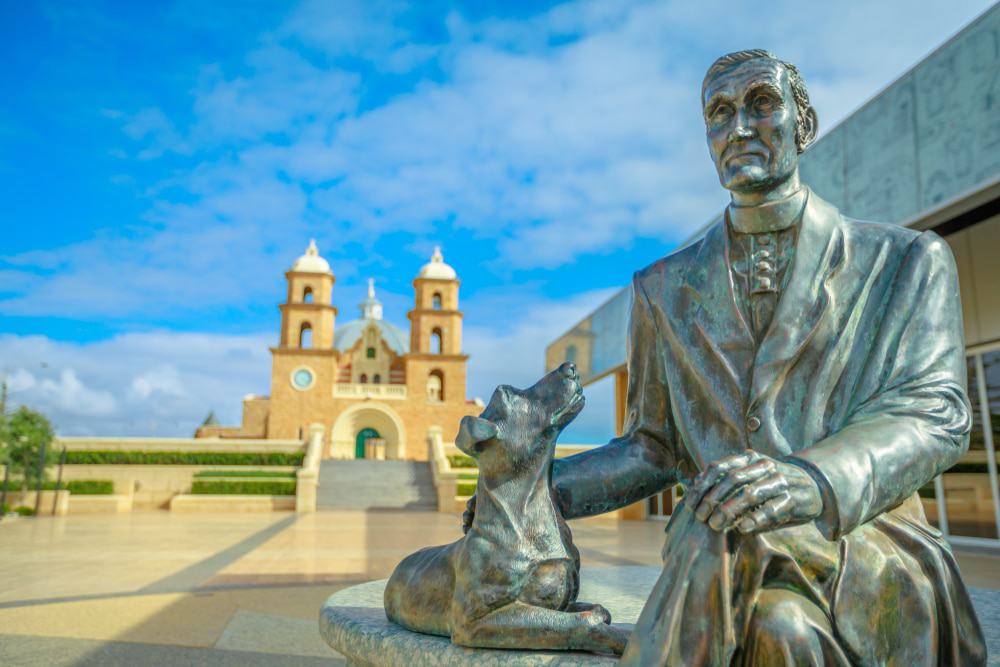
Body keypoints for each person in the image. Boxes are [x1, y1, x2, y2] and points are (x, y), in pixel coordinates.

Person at [465, 49, 986, 665]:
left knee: (718, 533)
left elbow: (934, 414)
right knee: (780, 628)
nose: (739, 128)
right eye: (719, 113)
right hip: (729, 561)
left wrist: (809, 479)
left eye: (761, 105)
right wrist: (530, 489)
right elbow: (653, 448)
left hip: (859, 538)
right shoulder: (662, 288)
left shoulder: (903, 261)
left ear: (804, 123)